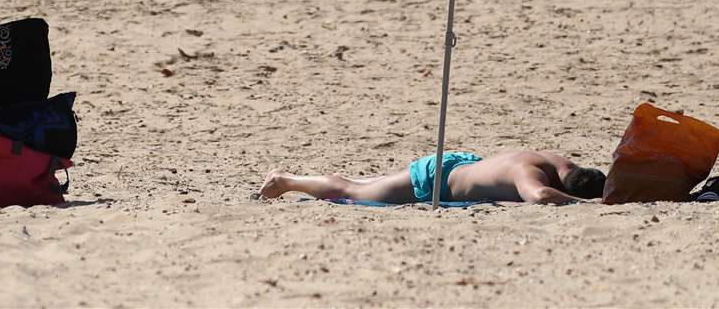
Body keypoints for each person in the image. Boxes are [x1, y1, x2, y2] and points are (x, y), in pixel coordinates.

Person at [259, 148, 606, 206]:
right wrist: (585, 205)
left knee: (368, 185)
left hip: (458, 164)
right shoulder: (527, 174)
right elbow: (539, 196)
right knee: (353, 192)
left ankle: (330, 178)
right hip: (437, 181)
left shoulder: (559, 161)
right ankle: (286, 181)